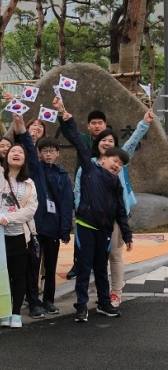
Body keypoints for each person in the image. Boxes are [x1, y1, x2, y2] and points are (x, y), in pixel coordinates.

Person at [55, 106, 133, 322]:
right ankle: (81, 306)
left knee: (101, 268)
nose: (116, 166)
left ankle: (104, 303)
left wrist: (126, 234)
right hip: (86, 227)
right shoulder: (90, 169)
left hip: (105, 230)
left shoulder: (116, 183)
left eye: (120, 164)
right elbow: (80, 145)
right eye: (114, 161)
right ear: (104, 158)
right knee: (84, 267)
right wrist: (68, 120)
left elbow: (119, 210)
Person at [74, 108, 153, 307]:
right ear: (97, 143)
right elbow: (78, 190)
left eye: (111, 140)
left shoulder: (118, 162)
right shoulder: (89, 164)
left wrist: (144, 122)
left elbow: (133, 142)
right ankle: (96, 297)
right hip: (91, 219)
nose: (107, 143)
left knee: (115, 256)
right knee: (95, 260)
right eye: (103, 140)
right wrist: (81, 211)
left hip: (116, 216)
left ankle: (116, 293)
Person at [14, 115, 72, 318]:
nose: (48, 154)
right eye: (44, 151)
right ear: (39, 153)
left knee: (51, 265)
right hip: (36, 228)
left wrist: (65, 228)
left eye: (52, 151)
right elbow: (28, 148)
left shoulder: (63, 175)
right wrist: (22, 129)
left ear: (57, 153)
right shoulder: (35, 170)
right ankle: (34, 302)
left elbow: (66, 203)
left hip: (54, 227)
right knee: (33, 266)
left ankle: (49, 300)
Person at [0, 115, 37, 329]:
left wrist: (9, 217)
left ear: (24, 160)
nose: (16, 153)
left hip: (19, 236)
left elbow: (31, 210)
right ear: (7, 157)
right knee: (0, 276)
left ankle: (15, 313)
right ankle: (4, 311)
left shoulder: (29, 183)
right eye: (13, 151)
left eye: (20, 152)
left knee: (18, 275)